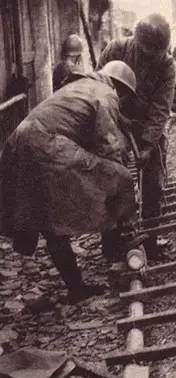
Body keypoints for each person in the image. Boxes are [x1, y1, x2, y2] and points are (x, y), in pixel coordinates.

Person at [0, 61, 137, 304]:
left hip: (19, 141)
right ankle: (117, 242)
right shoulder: (106, 93)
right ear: (120, 87)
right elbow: (109, 146)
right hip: (46, 144)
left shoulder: (80, 86)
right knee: (120, 177)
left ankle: (76, 288)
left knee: (49, 222)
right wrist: (119, 181)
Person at [97, 14, 176, 259]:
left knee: (153, 183)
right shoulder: (115, 50)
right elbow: (97, 92)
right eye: (145, 53)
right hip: (113, 120)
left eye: (156, 54)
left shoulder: (167, 65)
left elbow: (161, 107)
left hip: (146, 125)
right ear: (136, 41)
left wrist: (149, 145)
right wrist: (119, 120)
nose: (150, 58)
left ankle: (150, 242)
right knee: (111, 179)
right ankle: (112, 242)